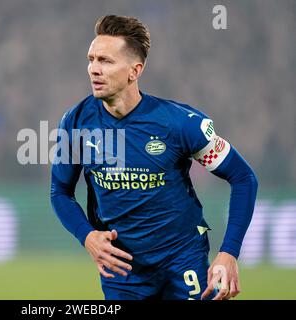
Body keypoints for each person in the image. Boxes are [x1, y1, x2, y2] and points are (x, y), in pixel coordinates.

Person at [50, 15, 258, 300]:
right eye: (91, 59)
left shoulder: (180, 124)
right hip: (122, 270)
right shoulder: (75, 123)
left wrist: (229, 253)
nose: (94, 69)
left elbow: (243, 177)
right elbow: (60, 191)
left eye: (106, 61)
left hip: (183, 260)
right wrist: (87, 236)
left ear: (135, 71)